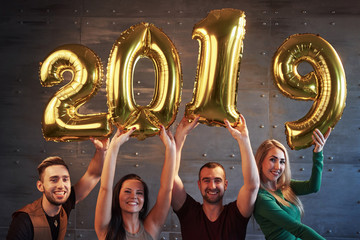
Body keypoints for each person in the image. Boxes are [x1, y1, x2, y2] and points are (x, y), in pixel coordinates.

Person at [172, 114, 260, 240]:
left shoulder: (235, 214)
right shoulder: (189, 213)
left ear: (225, 184)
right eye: (206, 180)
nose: (212, 186)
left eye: (217, 180)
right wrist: (180, 136)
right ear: (199, 184)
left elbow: (252, 186)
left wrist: (243, 140)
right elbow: (172, 179)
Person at [6, 138, 109, 240]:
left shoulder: (65, 203)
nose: (61, 185)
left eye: (65, 179)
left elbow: (93, 175)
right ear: (40, 186)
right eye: (54, 180)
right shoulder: (24, 220)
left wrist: (101, 151)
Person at [94, 125, 176, 240]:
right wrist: (114, 146)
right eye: (127, 191)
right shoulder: (106, 229)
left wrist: (170, 148)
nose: (134, 196)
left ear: (144, 200)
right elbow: (105, 188)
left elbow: (167, 189)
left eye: (139, 193)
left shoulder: (151, 228)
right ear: (117, 197)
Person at [253, 128, 331, 240]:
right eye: (272, 160)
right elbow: (297, 229)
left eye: (282, 161)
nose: (278, 167)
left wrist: (318, 152)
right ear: (261, 162)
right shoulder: (262, 198)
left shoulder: (285, 186)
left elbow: (313, 187)